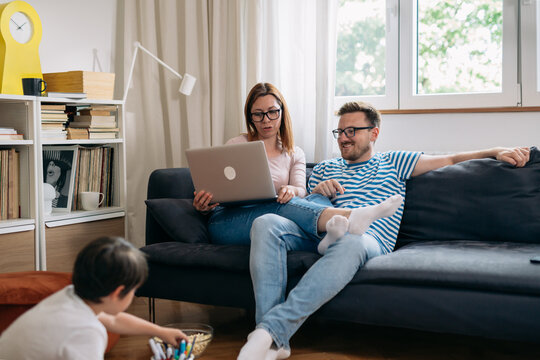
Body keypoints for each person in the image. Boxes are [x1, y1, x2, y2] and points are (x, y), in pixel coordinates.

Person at [237, 101, 530, 360]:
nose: (344, 138)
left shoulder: (395, 161)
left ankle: (268, 332)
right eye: (339, 132)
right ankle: (274, 344)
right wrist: (319, 190)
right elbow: (305, 207)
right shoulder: (325, 167)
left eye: (352, 131)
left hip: (368, 237)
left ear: (373, 133)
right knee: (265, 222)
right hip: (321, 231)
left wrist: (495, 150)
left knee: (352, 241)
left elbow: (451, 159)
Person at [194, 83, 403, 248]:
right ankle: (350, 217)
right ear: (250, 117)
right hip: (227, 222)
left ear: (282, 112)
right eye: (258, 114)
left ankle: (334, 230)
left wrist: (291, 189)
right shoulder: (236, 145)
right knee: (278, 207)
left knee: (311, 199)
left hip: (268, 220)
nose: (266, 120)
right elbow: (219, 190)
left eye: (272, 112)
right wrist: (204, 205)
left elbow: (301, 192)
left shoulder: (294, 152)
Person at [0, 236, 188, 360]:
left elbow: (112, 319)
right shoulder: (86, 332)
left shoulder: (69, 296)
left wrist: (161, 331)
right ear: (117, 293)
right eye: (133, 290)